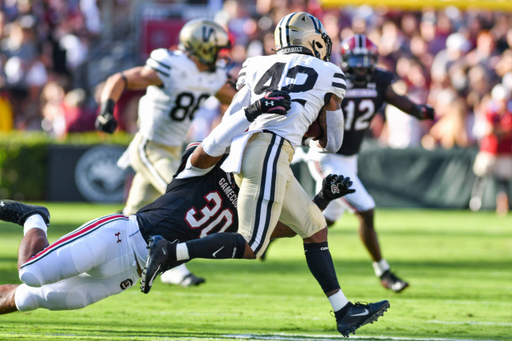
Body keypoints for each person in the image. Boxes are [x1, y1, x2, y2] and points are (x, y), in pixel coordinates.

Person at [140, 13, 390, 337]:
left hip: (247, 148)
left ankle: (344, 311)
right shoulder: (330, 72)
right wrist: (313, 126)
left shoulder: (255, 64)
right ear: (312, 39)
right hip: (272, 150)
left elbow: (232, 117)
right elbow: (335, 144)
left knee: (314, 226)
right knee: (252, 243)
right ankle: (171, 252)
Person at [0, 92, 351, 316]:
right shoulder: (201, 167)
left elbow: (274, 232)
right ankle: (35, 218)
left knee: (38, 298)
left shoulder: (256, 192)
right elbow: (207, 149)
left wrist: (320, 199)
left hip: (132, 273)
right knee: (32, 272)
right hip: (123, 237)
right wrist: (249, 113)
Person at [95, 19, 237, 287]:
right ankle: (172, 264)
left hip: (173, 150)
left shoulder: (211, 74)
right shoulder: (172, 66)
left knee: (131, 215)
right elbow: (121, 79)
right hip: (150, 145)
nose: (222, 55)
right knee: (181, 199)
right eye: (218, 49)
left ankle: (96, 252)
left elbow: (237, 99)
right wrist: (106, 110)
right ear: (203, 48)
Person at [306, 34, 435, 293]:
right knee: (366, 209)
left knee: (324, 219)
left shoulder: (379, 80)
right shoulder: (333, 78)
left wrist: (418, 110)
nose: (363, 67)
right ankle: (384, 271)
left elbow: (397, 100)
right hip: (327, 156)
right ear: (345, 61)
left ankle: (270, 237)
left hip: (349, 159)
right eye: (356, 61)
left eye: (366, 61)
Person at [470, 84, 512, 215]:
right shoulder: (489, 113)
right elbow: (488, 129)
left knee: (503, 181)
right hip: (489, 151)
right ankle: (475, 202)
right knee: (481, 177)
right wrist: (499, 130)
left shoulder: (508, 115)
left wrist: (497, 130)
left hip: (504, 153)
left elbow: (507, 131)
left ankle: (502, 206)